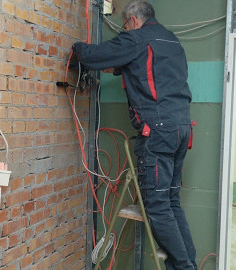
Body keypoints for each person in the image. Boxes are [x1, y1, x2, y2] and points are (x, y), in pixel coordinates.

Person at [72, 1, 197, 269]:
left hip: (159, 132)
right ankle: (189, 263)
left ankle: (185, 267)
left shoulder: (136, 38)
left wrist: (76, 49)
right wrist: (119, 67)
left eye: (125, 25)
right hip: (182, 128)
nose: (125, 29)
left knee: (157, 206)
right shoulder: (171, 40)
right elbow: (152, 71)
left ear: (134, 21)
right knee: (171, 201)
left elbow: (93, 56)